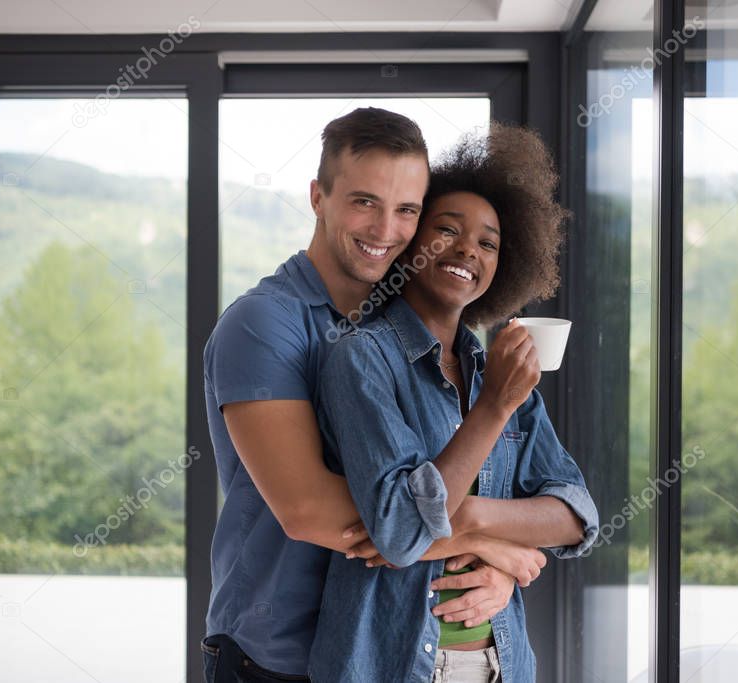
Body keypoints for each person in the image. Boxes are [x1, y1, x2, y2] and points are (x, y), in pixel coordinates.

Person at [202, 108, 549, 682]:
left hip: (377, 652)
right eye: (365, 201)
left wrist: (487, 549)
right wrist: (488, 543)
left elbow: (448, 486)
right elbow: (308, 511)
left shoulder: (408, 333)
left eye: (408, 210)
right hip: (273, 655)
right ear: (318, 197)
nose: (386, 229)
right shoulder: (263, 324)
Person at [308, 124, 599, 683]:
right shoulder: (361, 359)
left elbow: (575, 516)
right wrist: (492, 410)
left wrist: (476, 526)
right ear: (412, 241)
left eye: (488, 243)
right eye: (447, 229)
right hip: (386, 666)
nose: (469, 248)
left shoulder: (499, 377)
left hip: (499, 663)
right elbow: (398, 532)